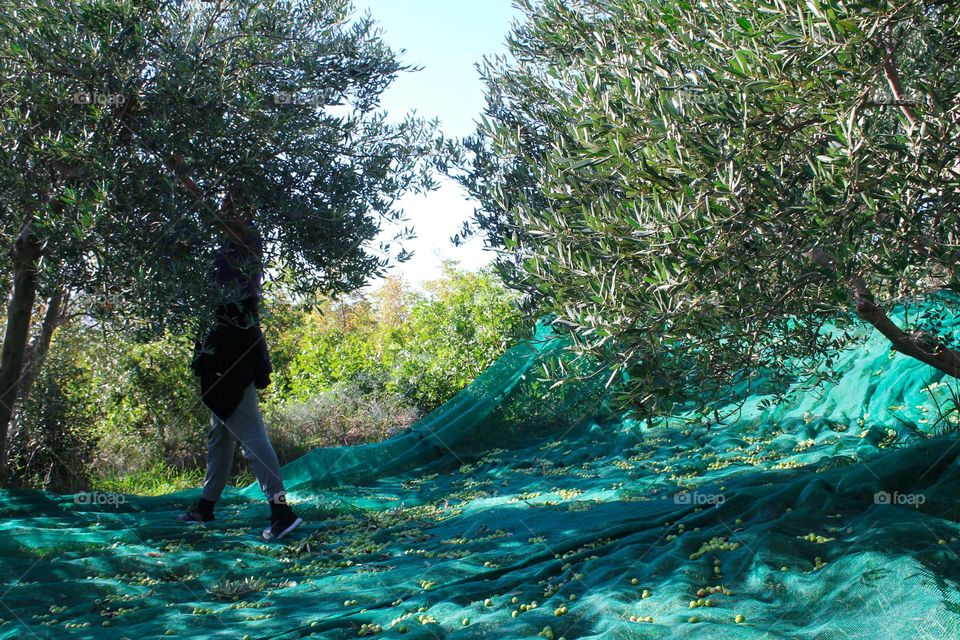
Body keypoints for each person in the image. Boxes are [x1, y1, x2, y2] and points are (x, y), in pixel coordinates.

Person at [171, 160, 302, 541]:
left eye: (233, 203)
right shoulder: (230, 245)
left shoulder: (248, 238)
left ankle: (281, 511)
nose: (227, 206)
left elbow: (217, 220)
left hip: (235, 351)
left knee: (250, 434)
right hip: (223, 349)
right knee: (221, 432)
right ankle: (206, 506)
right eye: (226, 201)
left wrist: (190, 187)